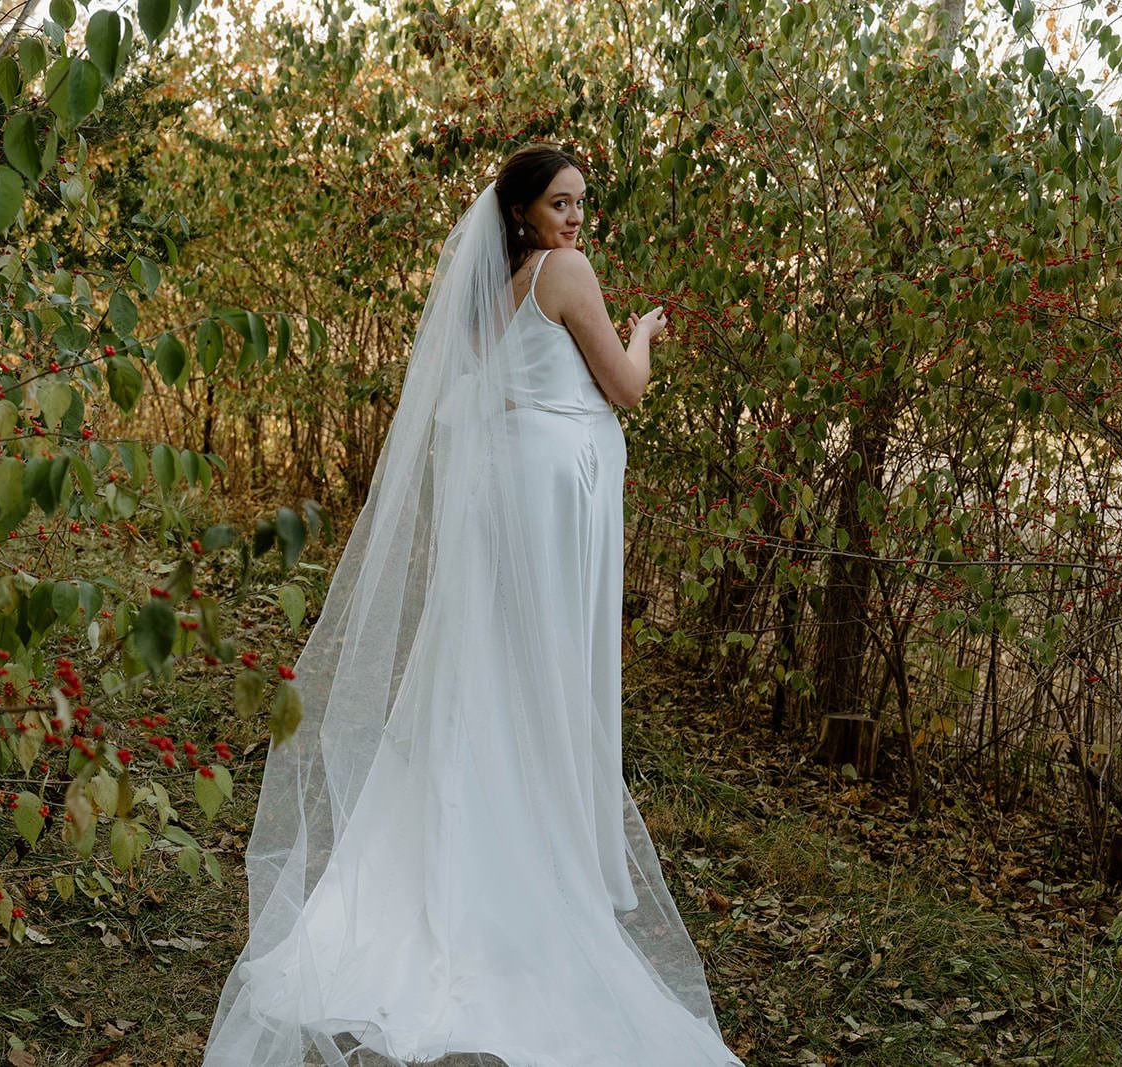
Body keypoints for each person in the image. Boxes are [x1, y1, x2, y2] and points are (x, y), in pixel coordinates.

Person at [202, 143, 745, 1067]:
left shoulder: (502, 287)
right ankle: (531, 856)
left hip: (519, 502)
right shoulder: (566, 274)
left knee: (498, 671)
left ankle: (496, 831)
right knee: (538, 677)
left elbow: (491, 394)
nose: (576, 220)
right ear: (526, 210)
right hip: (547, 508)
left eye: (583, 204)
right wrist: (647, 330)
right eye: (561, 203)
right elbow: (624, 387)